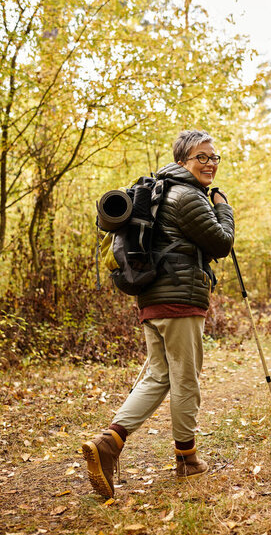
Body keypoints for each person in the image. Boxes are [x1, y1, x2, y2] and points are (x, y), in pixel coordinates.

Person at [82, 129, 235, 498]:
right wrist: (223, 207)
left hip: (152, 300)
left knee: (157, 376)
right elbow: (221, 242)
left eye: (214, 157)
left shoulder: (162, 192)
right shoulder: (186, 196)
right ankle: (187, 459)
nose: (210, 163)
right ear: (183, 160)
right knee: (185, 380)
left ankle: (110, 443)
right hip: (180, 299)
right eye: (202, 157)